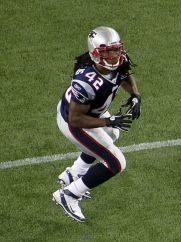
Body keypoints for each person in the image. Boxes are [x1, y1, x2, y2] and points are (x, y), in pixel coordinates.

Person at [51, 26, 142, 223]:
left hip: (92, 113)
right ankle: (69, 195)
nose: (114, 56)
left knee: (112, 135)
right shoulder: (87, 80)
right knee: (117, 162)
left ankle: (74, 172)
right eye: (108, 52)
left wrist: (135, 96)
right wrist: (108, 120)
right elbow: (75, 119)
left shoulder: (118, 59)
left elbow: (125, 74)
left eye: (116, 49)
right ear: (95, 53)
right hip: (73, 122)